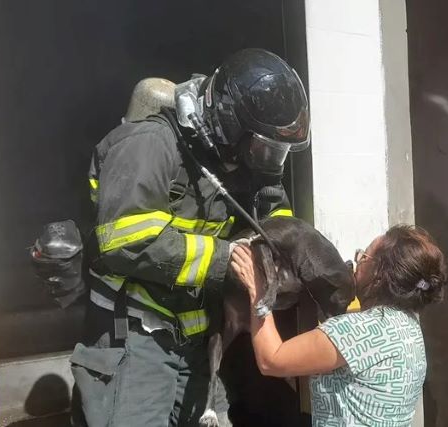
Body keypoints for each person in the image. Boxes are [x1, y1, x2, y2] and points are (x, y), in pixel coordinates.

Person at [69, 48, 311, 427]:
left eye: (276, 151)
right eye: (265, 146)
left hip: (199, 342)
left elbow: (276, 224)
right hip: (137, 337)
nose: (269, 160)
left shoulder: (240, 164)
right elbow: (125, 240)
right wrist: (228, 258)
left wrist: (280, 261)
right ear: (230, 123)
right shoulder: (148, 144)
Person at [230, 225, 447, 426]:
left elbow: (271, 359)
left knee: (253, 407)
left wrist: (258, 288)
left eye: (364, 256)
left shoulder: (360, 330)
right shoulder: (408, 328)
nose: (356, 261)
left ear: (379, 277)